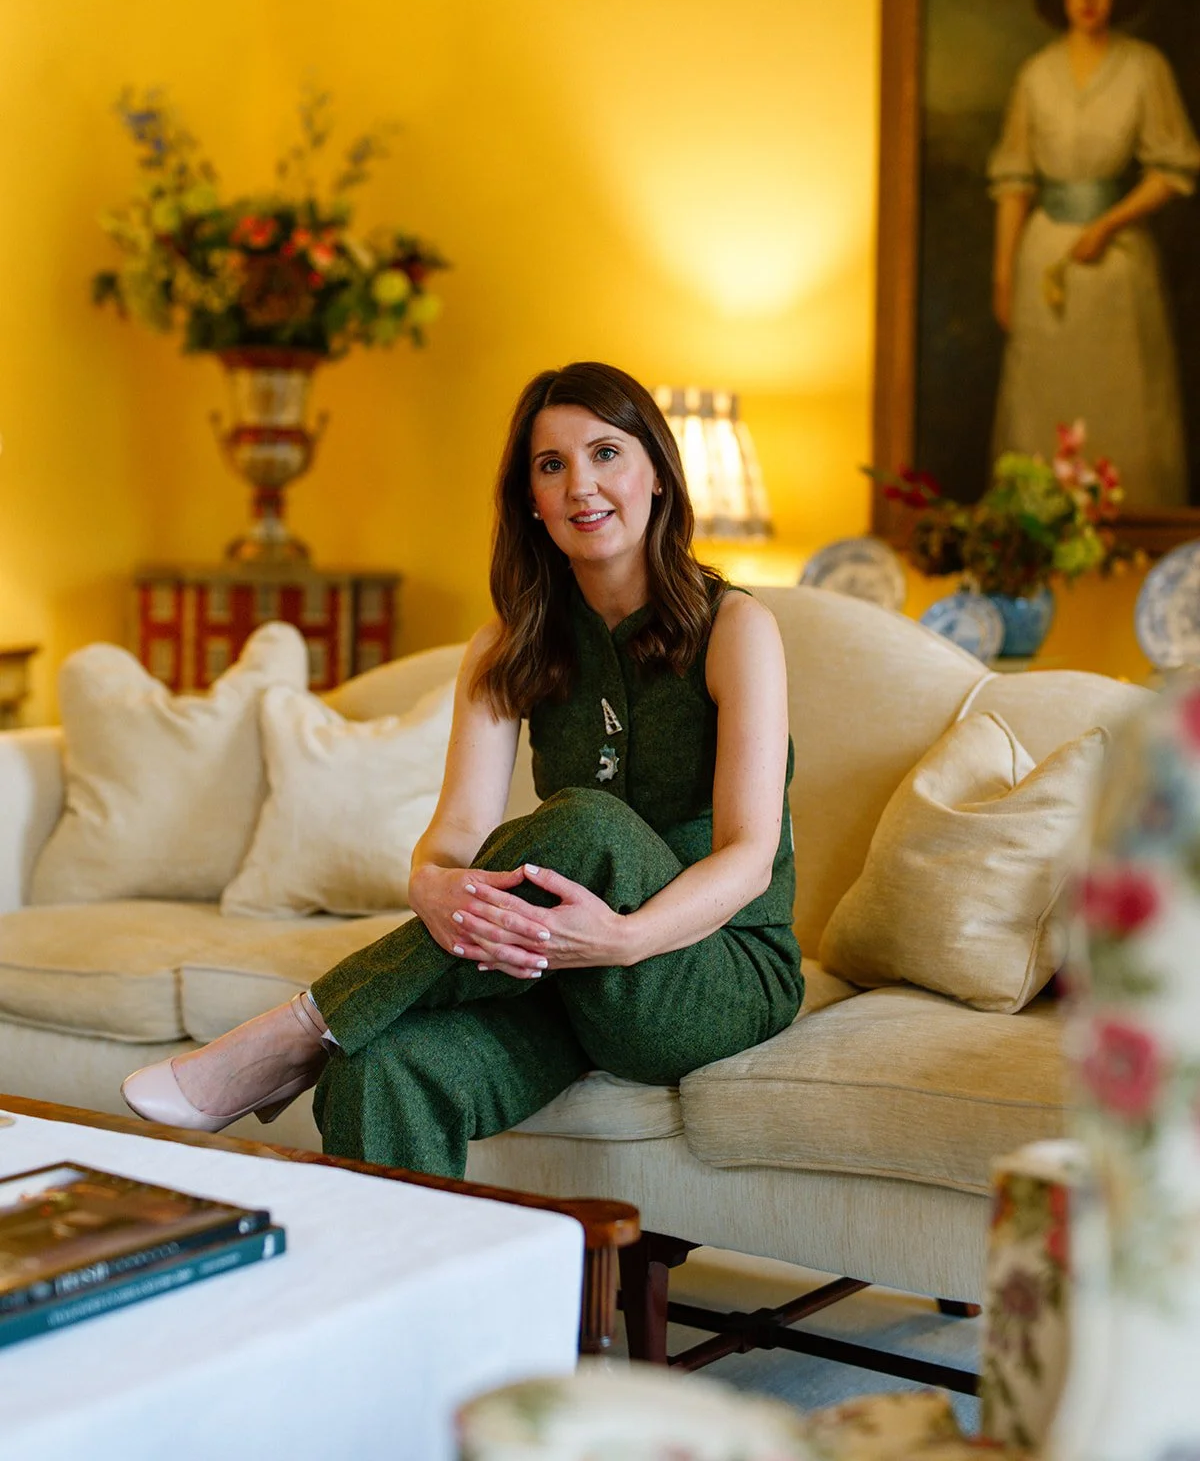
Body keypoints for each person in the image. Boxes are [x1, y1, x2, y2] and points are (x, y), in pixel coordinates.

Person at [121, 362, 803, 1178]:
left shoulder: (737, 629)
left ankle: (303, 1026)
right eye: (551, 466)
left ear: (657, 473)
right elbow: (452, 837)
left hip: (709, 971)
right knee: (379, 1071)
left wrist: (622, 939)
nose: (581, 484)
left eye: (606, 453)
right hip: (555, 972)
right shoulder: (507, 645)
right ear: (532, 501)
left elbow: (748, 855)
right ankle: (403, 1303)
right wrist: (430, 886)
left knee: (582, 824)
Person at [989, 0, 1200, 506]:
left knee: (1123, 407)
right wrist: (1004, 275)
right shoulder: (1036, 75)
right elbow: (1014, 180)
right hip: (1043, 261)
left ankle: (1132, 545)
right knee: (1043, 408)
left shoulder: (1143, 68)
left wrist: (1106, 225)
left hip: (1118, 268)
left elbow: (1174, 167)